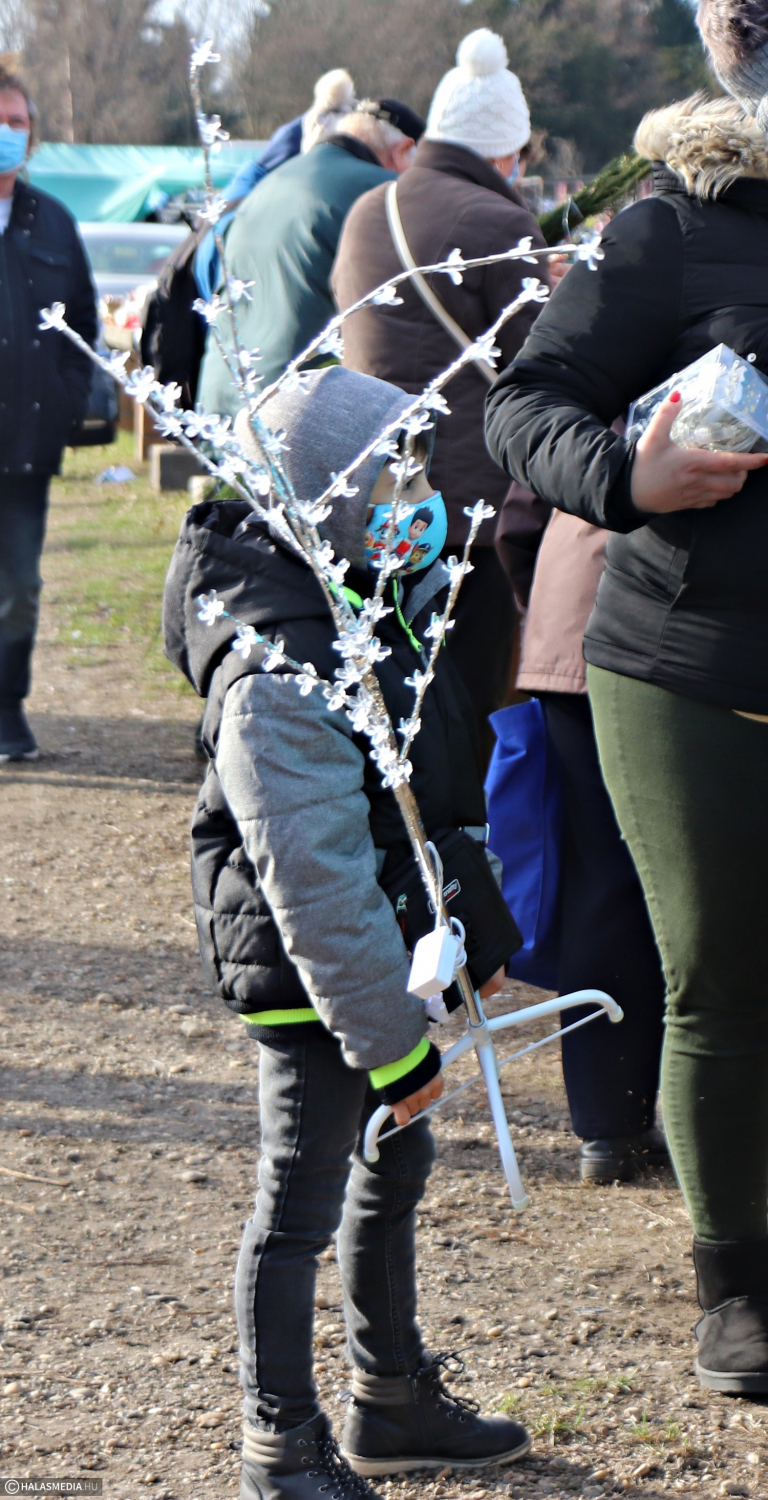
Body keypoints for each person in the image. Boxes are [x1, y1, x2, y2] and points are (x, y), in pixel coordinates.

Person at [163, 364, 528, 1498]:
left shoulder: (367, 608)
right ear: (320, 500)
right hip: (312, 979)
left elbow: (426, 796)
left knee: (395, 1157)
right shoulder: (279, 668)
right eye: (386, 484)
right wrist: (391, 1043)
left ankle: (391, 1394)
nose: (411, 503)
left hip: (382, 957)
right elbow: (316, 883)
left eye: (416, 476)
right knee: (300, 1199)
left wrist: (471, 944)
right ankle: (280, 1442)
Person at [486, 37, 768, 1393]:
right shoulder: (672, 228)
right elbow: (523, 403)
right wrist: (625, 477)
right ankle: (737, 1282)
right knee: (720, 973)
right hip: (689, 669)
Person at [331, 29, 548, 761]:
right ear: (505, 152)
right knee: (474, 700)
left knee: (389, 688)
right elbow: (537, 365)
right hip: (471, 510)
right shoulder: (502, 222)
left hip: (375, 490)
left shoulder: (369, 211)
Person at [496, 484, 668, 1183]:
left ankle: (610, 1126)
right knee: (711, 883)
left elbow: (518, 523)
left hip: (577, 618)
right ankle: (707, 1125)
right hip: (695, 632)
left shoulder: (578, 407)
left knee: (604, 880)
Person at [197, 97, 425, 415]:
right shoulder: (383, 192)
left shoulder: (270, 183)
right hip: (296, 412)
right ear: (403, 150)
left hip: (221, 398)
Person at [0, 60, 96, 763]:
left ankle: (5, 708)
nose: (7, 134)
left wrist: (66, 400)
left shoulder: (53, 221)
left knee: (18, 588)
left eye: (16, 122)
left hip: (26, 445)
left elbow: (83, 327)